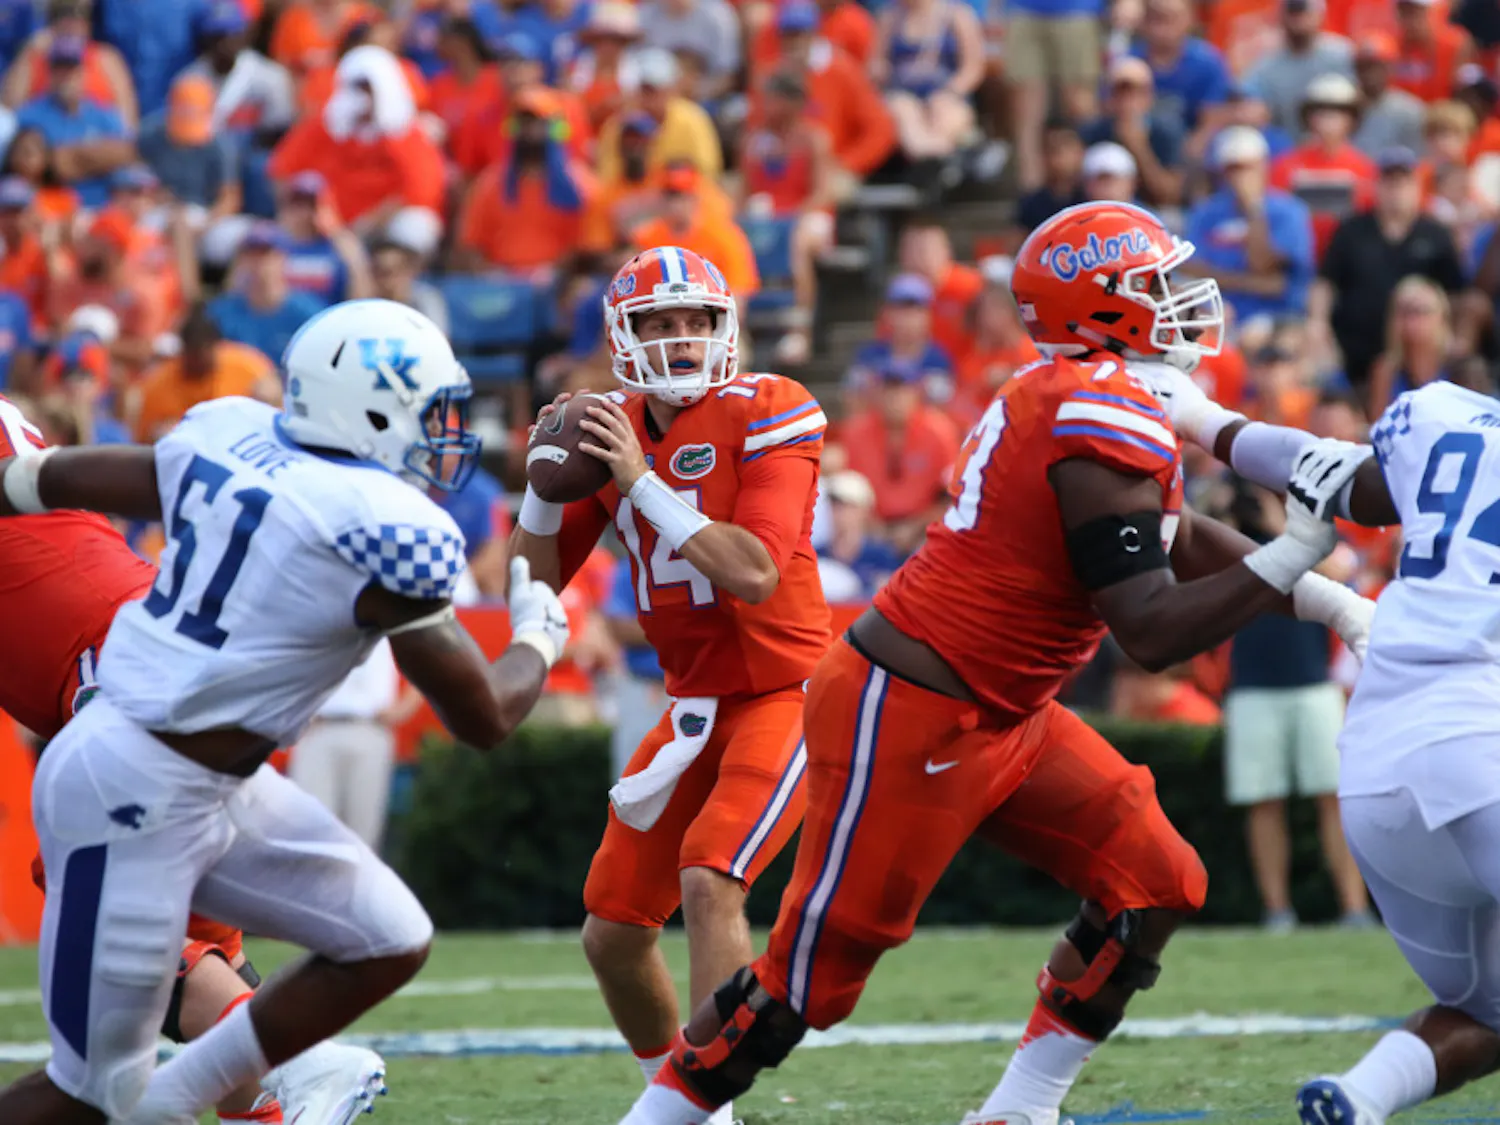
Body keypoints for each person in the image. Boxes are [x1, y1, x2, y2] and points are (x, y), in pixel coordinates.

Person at [611, 202, 1377, 1125]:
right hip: (911, 710)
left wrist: (1335, 603)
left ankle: (1020, 1109)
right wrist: (1293, 552)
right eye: (1155, 283)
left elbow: (1176, 536)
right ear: (1103, 304)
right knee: (805, 986)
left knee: (1158, 881)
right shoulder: (1089, 411)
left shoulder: (1097, 394)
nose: (1180, 297)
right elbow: (1151, 630)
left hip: (1009, 708)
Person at [0, 299, 572, 1125]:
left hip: (202, 777)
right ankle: (249, 1083)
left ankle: (203, 1094)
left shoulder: (229, 435)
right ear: (370, 411)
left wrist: (15, 482)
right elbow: (484, 715)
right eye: (429, 412)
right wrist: (538, 636)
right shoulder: (378, 529)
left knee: (390, 935)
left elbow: (78, 476)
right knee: (86, 1093)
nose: (443, 435)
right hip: (132, 783)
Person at [0, 388, 423, 1125]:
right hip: (141, 639)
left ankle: (300, 1064)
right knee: (198, 940)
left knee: (101, 950)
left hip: (112, 661)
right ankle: (272, 1100)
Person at [510, 246, 829, 1125]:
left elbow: (754, 570)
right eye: (661, 322)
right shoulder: (610, 424)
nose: (683, 338)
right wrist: (542, 490)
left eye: (698, 321)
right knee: (613, 931)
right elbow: (533, 584)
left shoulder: (771, 406)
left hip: (790, 692)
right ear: (624, 335)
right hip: (692, 704)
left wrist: (640, 483)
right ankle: (698, 1108)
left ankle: (695, 1107)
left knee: (711, 875)